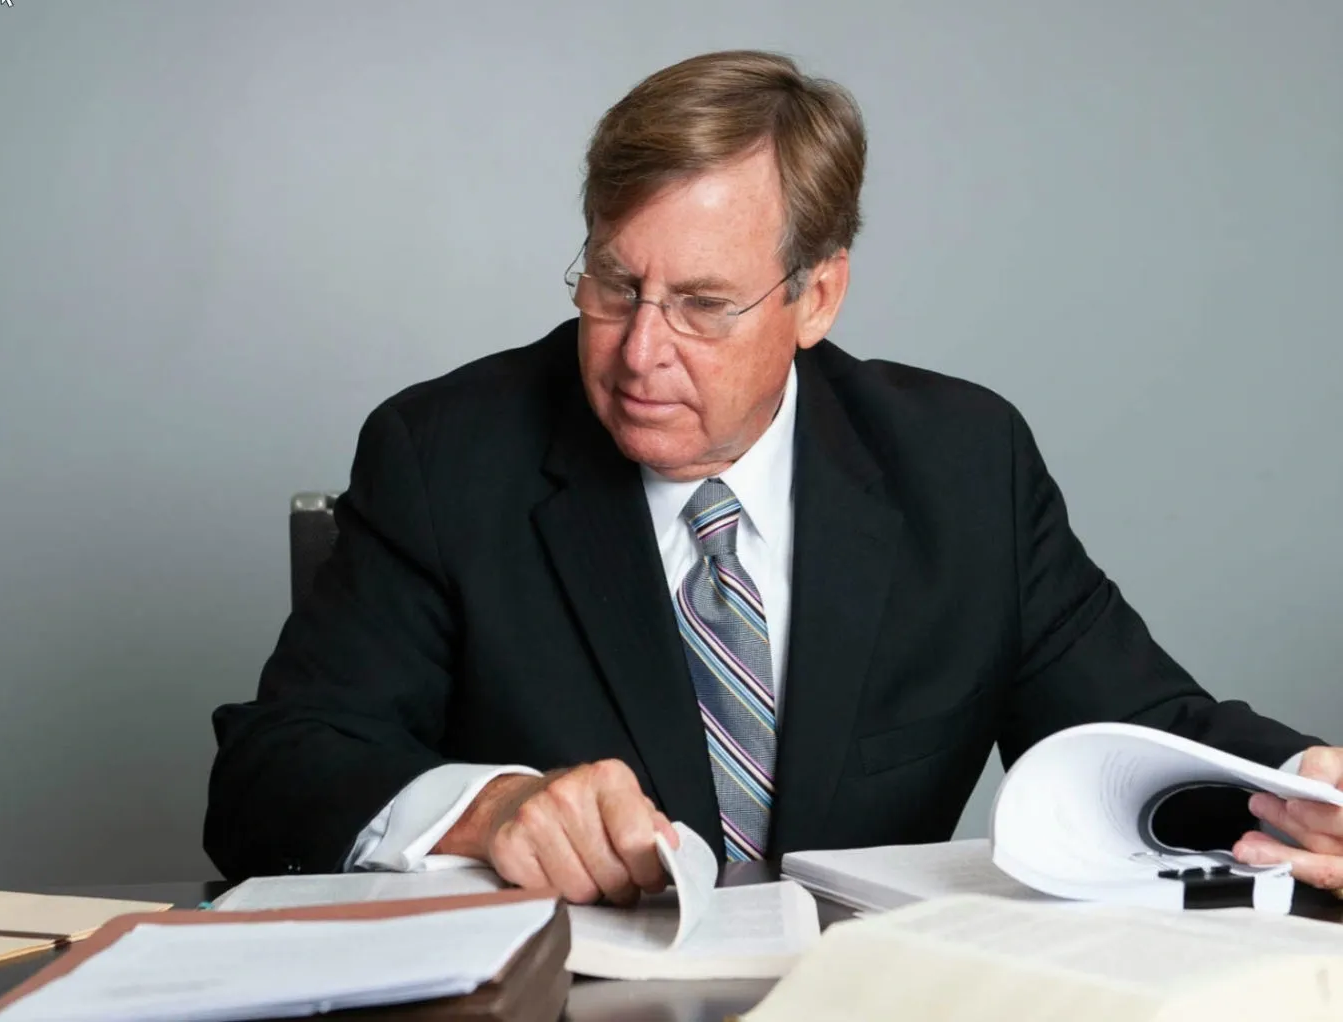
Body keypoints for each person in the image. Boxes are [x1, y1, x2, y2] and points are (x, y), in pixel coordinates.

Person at [204, 50, 1343, 904]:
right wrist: (487, 810)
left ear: (818, 296)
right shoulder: (444, 453)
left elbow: (1145, 725)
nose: (641, 349)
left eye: (702, 305)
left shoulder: (960, 464)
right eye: (612, 285)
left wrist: (1308, 790)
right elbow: (270, 776)